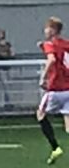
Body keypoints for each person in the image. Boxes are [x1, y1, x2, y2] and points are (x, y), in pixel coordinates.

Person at [37, 17, 69, 165]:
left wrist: (43, 77)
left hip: (56, 88)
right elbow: (60, 54)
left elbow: (52, 59)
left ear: (53, 30)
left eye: (47, 28)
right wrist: (42, 47)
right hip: (68, 89)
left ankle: (55, 147)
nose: (45, 30)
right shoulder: (66, 44)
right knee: (68, 125)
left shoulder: (50, 44)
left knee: (40, 114)